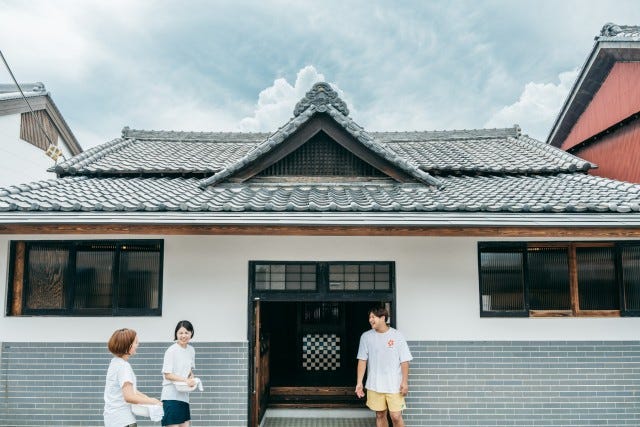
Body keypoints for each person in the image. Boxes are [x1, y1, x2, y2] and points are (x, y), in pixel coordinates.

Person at [355, 307, 413, 427]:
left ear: (382, 318)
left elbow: (405, 361)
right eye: (369, 317)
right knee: (380, 415)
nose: (370, 320)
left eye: (373, 317)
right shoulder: (366, 337)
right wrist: (359, 383)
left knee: (395, 416)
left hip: (394, 385)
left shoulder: (397, 336)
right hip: (375, 384)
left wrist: (405, 382)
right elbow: (362, 360)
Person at [104, 328, 162, 427]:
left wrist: (148, 398)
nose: (137, 345)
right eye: (135, 342)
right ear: (127, 345)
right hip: (123, 421)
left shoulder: (115, 362)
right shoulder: (123, 367)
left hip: (112, 418)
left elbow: (131, 391)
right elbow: (129, 397)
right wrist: (152, 401)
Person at [161, 320, 196, 427]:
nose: (183, 336)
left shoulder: (191, 350)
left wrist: (191, 378)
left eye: (186, 332)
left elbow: (189, 370)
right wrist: (186, 380)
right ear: (176, 334)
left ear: (191, 333)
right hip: (171, 397)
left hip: (184, 397)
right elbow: (167, 374)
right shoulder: (171, 350)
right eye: (180, 333)